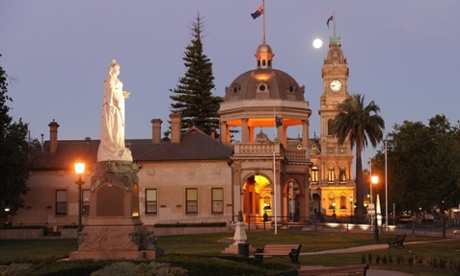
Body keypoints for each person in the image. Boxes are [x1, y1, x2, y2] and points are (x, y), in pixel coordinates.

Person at [97, 59, 132, 162]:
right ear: (112, 69)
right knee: (115, 126)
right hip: (113, 108)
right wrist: (118, 98)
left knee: (119, 127)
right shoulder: (110, 79)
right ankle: (113, 147)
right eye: (117, 68)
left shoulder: (115, 80)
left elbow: (115, 91)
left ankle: (118, 146)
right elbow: (109, 93)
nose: (119, 70)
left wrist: (122, 94)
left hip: (118, 106)